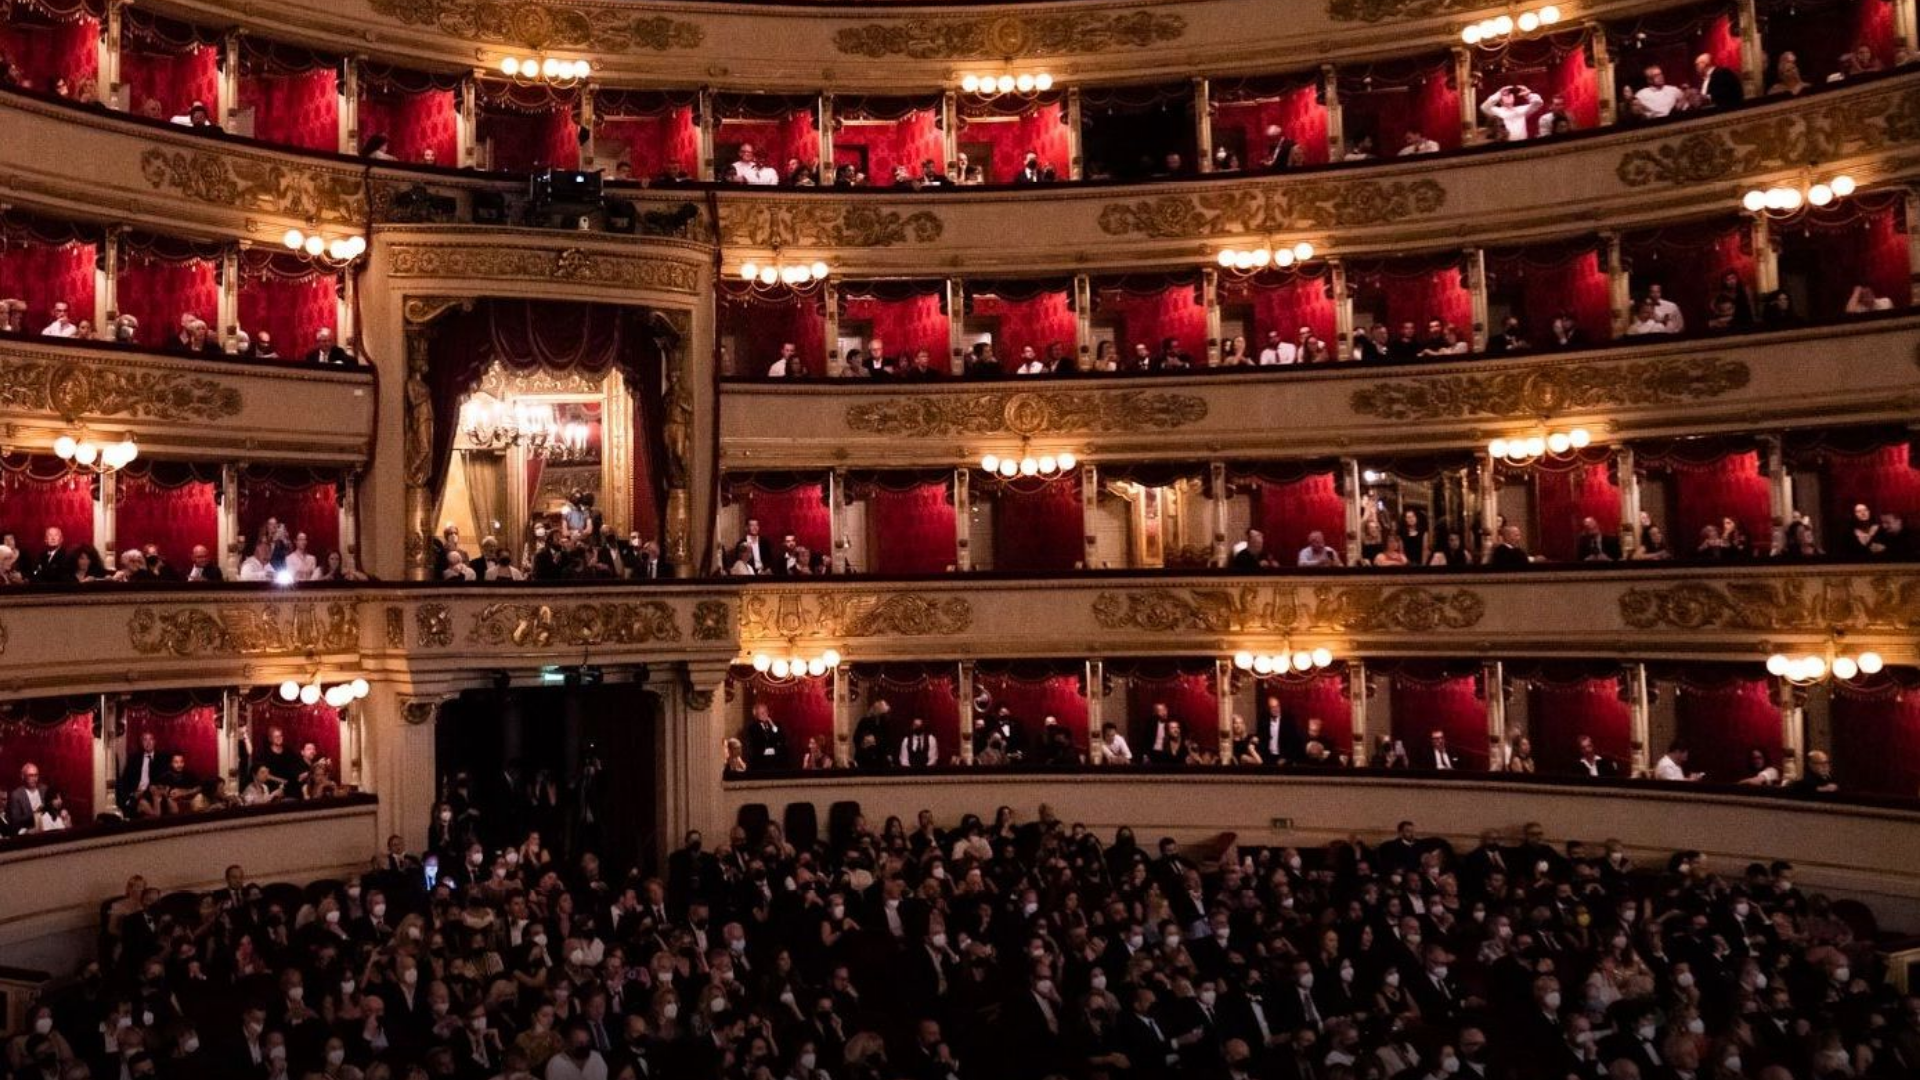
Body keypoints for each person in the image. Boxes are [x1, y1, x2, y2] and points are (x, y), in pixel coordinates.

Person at [1480, 84, 1545, 142]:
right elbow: (1484, 107)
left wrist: (1528, 95)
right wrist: (1499, 93)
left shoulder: (1521, 110)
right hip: (1505, 146)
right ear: (1500, 99)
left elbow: (1538, 103)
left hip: (1523, 145)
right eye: (1505, 95)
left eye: (1510, 94)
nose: (1508, 96)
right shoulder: (1497, 111)